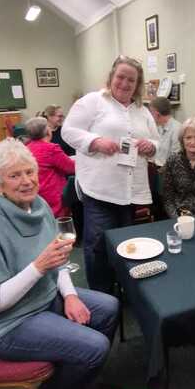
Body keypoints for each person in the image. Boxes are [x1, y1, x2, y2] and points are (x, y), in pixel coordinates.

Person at [0, 138, 120, 389]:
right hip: (7, 323)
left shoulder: (39, 205)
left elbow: (55, 258)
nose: (26, 181)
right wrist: (38, 268)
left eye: (29, 171)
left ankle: (82, 384)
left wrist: (70, 295)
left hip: (42, 298)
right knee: (95, 346)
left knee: (109, 307)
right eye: (14, 175)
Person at [61, 55, 159, 293]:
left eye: (131, 80)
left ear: (137, 84)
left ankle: (123, 289)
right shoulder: (93, 102)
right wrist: (95, 142)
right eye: (120, 77)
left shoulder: (142, 111)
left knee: (126, 244)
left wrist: (151, 146)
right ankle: (102, 294)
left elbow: (157, 142)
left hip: (131, 191)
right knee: (97, 246)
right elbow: (68, 131)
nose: (125, 83)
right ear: (111, 77)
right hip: (100, 190)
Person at [25, 116, 75, 218]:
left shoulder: (26, 148)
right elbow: (71, 168)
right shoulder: (51, 149)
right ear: (47, 131)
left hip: (36, 196)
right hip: (54, 198)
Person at [148, 97, 181, 167]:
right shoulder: (158, 126)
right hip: (156, 166)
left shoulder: (177, 130)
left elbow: (175, 159)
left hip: (167, 170)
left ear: (157, 114)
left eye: (151, 113)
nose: (149, 116)